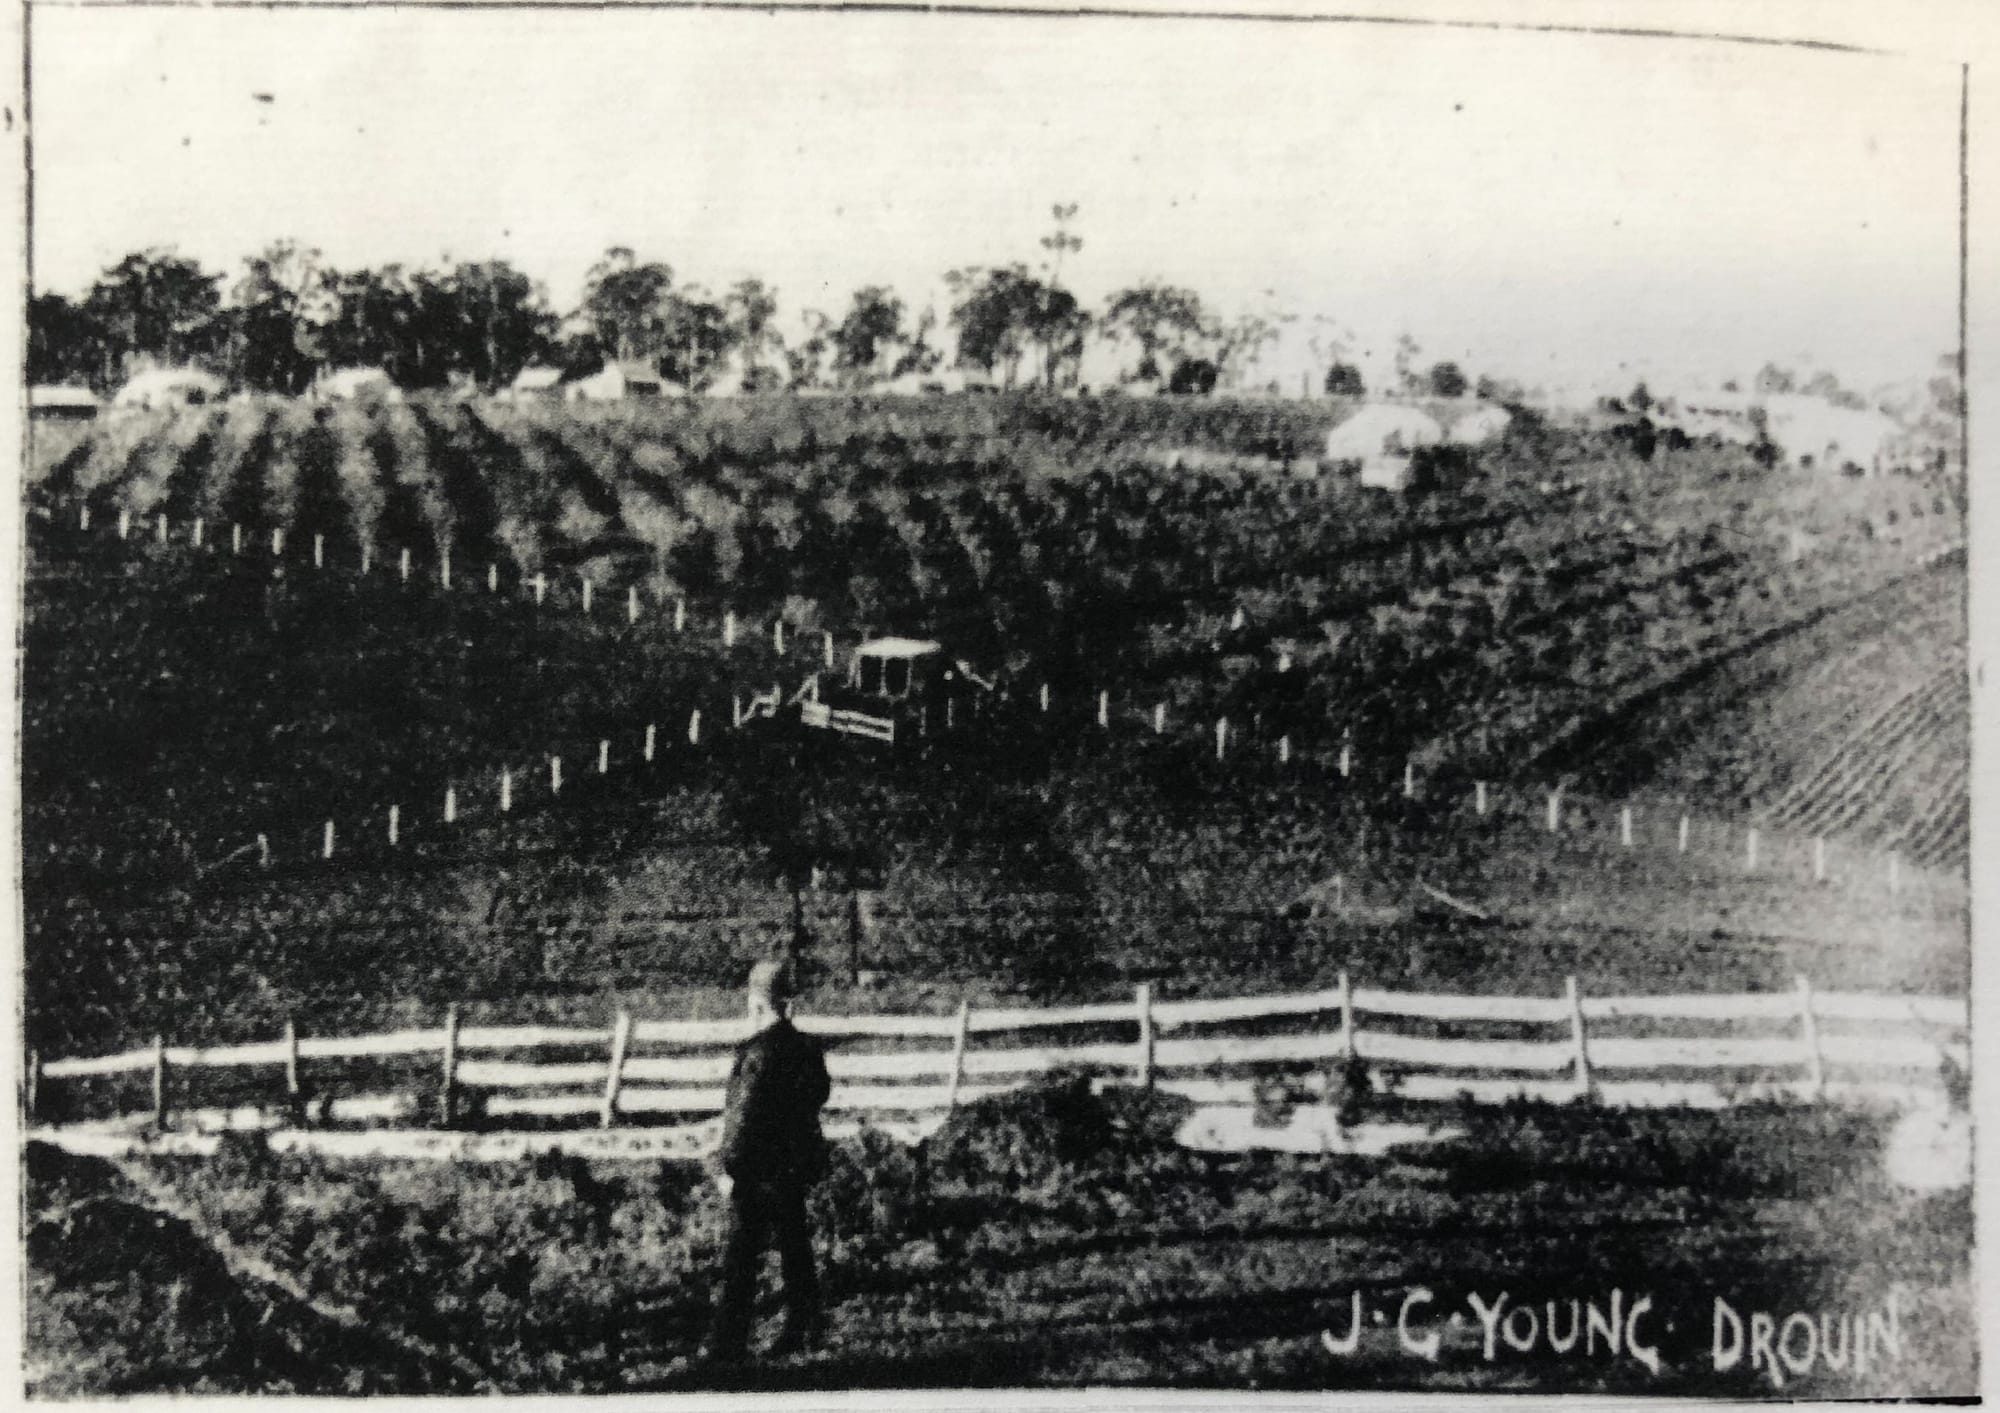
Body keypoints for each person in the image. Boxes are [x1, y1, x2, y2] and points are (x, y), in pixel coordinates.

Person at [704, 957, 831, 1364]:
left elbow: (742, 1117)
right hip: (794, 1167)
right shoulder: (807, 1050)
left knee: (741, 1259)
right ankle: (805, 1329)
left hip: (756, 1172)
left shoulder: (755, 1054)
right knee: (795, 1248)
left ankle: (727, 1346)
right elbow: (817, 1097)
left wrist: (724, 1167)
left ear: (756, 1004)